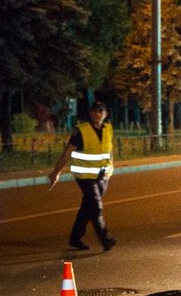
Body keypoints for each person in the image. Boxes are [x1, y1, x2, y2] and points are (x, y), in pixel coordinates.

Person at [49, 101, 118, 251]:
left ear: (105, 114)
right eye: (94, 111)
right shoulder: (81, 130)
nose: (96, 114)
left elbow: (109, 150)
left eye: (100, 111)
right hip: (85, 176)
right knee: (96, 207)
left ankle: (75, 238)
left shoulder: (108, 128)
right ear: (90, 113)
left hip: (103, 176)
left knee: (88, 208)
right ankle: (106, 239)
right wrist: (56, 172)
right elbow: (67, 152)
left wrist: (110, 168)